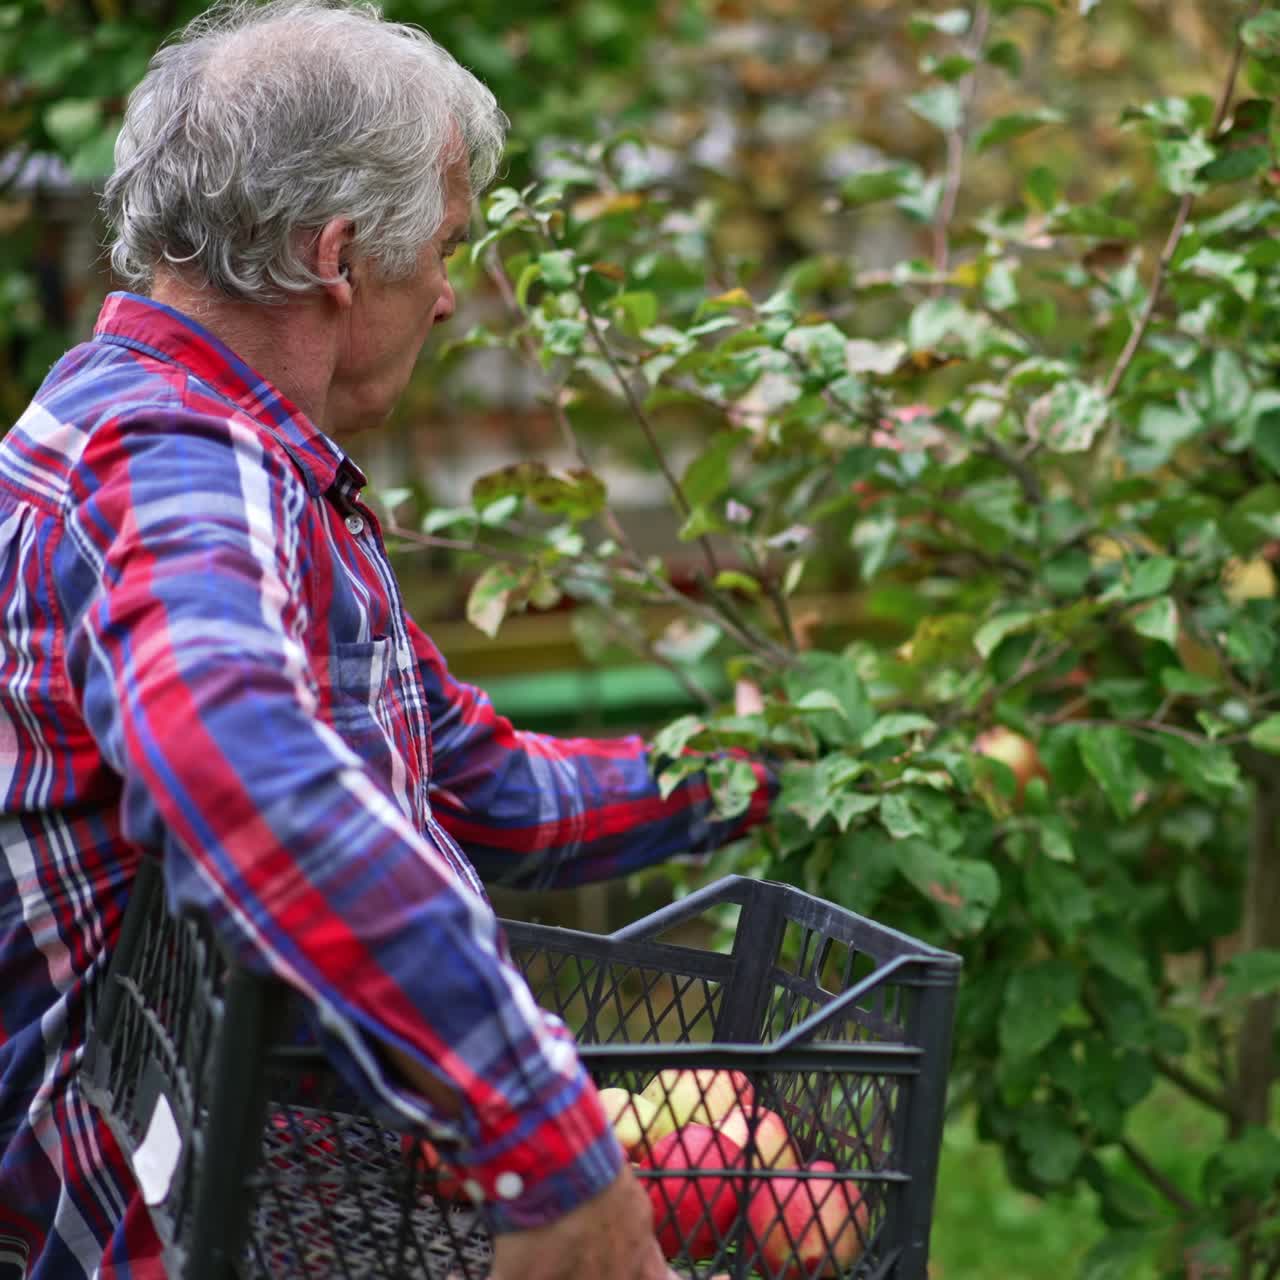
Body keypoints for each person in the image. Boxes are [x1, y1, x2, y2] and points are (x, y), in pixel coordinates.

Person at [0, 2, 775, 1276]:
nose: (454, 300)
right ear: (343, 258)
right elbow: (231, 751)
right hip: (146, 1228)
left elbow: (483, 784)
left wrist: (748, 769)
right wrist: (547, 1138)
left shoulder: (211, 454)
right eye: (447, 248)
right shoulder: (178, 457)